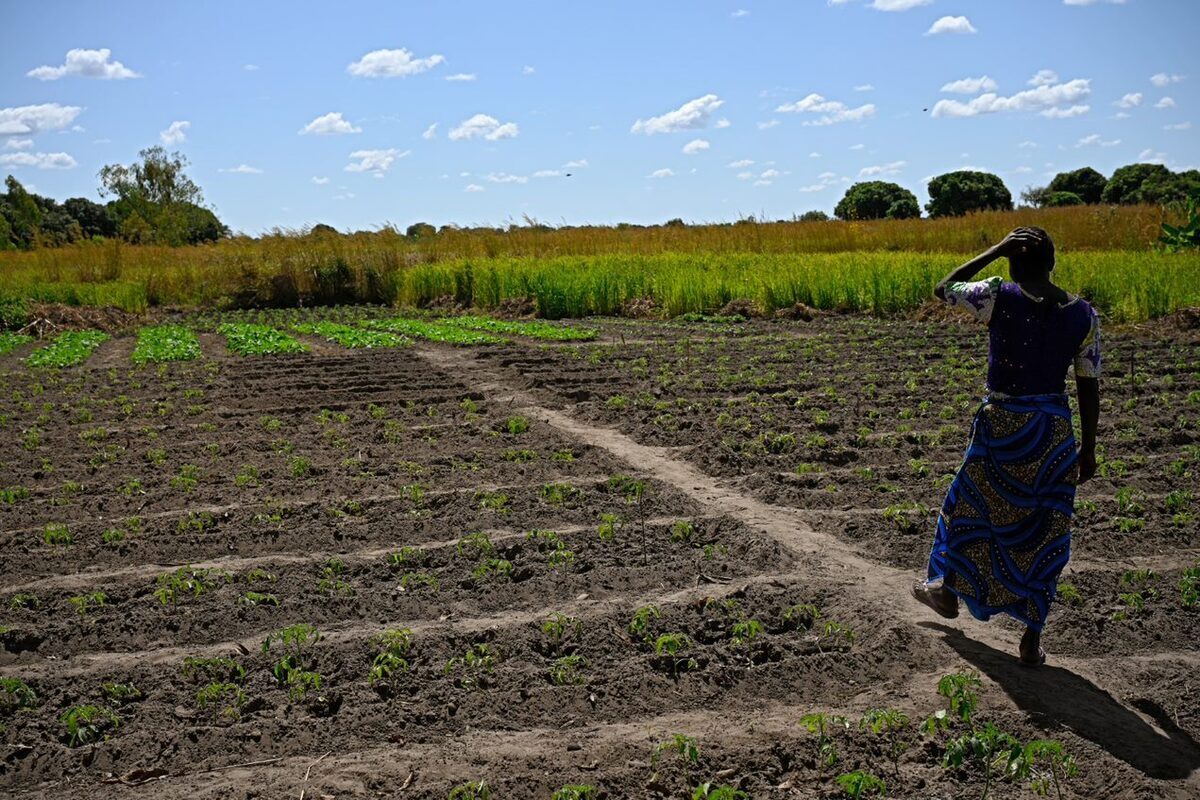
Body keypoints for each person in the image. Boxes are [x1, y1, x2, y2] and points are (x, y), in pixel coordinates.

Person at [911, 227, 1101, 666]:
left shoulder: (999, 295)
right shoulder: (1084, 315)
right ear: (1052, 265)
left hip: (1002, 427)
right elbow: (1088, 385)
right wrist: (1088, 448)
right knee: (1046, 530)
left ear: (1013, 265)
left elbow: (944, 287)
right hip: (1052, 433)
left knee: (970, 508)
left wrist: (996, 250)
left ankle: (948, 592)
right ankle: (1031, 640)